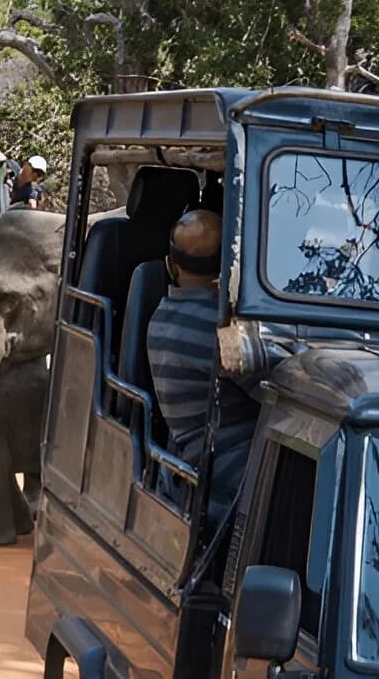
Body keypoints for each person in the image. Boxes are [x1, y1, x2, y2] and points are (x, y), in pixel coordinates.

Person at [146, 209, 260, 526]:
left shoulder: (160, 316)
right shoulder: (221, 330)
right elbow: (273, 391)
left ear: (171, 265)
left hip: (196, 455)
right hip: (228, 466)